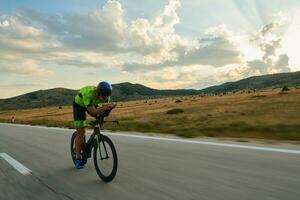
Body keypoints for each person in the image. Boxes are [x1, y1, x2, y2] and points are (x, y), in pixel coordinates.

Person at [73, 81, 116, 169]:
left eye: (107, 96)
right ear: (97, 93)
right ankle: (77, 158)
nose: (105, 99)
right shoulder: (89, 93)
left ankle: (93, 137)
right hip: (79, 105)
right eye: (103, 96)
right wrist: (105, 107)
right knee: (81, 132)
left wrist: (110, 108)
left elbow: (104, 112)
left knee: (100, 119)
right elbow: (92, 111)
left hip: (92, 104)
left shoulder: (106, 97)